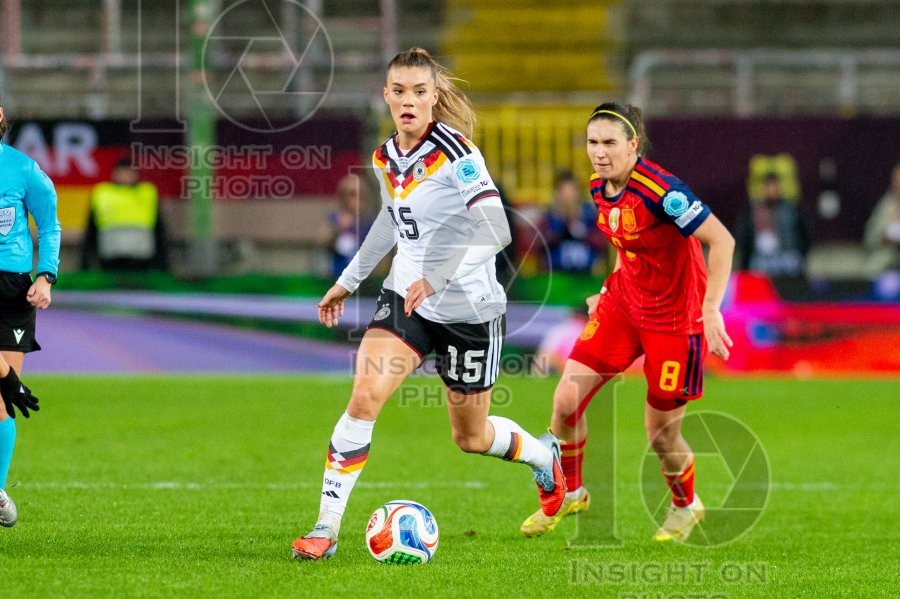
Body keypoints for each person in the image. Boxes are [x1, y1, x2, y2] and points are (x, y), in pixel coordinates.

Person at [291, 47, 565, 560]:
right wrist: (349, 281)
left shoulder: (457, 154)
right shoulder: (384, 156)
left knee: (471, 436)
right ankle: (325, 529)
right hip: (407, 298)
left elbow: (498, 228)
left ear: (435, 98)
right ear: (386, 96)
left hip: (469, 310)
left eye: (420, 92)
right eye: (400, 91)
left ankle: (543, 456)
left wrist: (439, 275)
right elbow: (390, 222)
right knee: (365, 396)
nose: (409, 101)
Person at [519, 102, 735, 542]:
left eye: (609, 143)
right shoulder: (599, 187)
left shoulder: (663, 192)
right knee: (564, 403)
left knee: (660, 434)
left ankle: (686, 505)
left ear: (633, 144)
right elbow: (625, 242)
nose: (599, 152)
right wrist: (612, 284)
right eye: (592, 142)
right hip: (623, 306)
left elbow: (721, 239)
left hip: (676, 321)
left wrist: (711, 309)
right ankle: (572, 491)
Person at [0, 100, 58, 527]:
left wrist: (46, 276)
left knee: (1, 401)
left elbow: (50, 224)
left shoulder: (24, 170)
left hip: (13, 287)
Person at [80, 157, 169, 272]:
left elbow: (159, 231)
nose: (125, 176)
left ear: (136, 174)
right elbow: (91, 231)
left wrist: (164, 265)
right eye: (122, 172)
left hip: (142, 258)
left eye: (129, 172)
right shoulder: (103, 194)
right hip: (110, 257)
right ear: (114, 173)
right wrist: (84, 263)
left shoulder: (147, 193)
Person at [735, 171, 809, 279]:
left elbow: (804, 234)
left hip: (787, 257)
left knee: (792, 263)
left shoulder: (791, 209)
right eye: (769, 186)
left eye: (774, 186)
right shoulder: (753, 211)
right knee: (757, 268)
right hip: (761, 259)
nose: (772, 190)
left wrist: (800, 254)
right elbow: (744, 237)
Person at [541, 169, 606, 273]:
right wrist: (563, 225)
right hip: (557, 272)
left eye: (571, 191)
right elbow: (542, 243)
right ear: (557, 193)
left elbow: (601, 242)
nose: (568, 197)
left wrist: (583, 231)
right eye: (564, 192)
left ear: (578, 191)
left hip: (587, 272)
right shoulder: (551, 215)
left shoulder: (589, 213)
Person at [319, 173, 374, 279]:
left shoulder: (369, 222)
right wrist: (338, 228)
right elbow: (323, 240)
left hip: (363, 279)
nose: (354, 199)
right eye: (350, 194)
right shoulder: (335, 217)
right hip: (337, 276)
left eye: (358, 194)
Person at [863, 161, 900, 275]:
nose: (898, 183)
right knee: (874, 265)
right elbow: (869, 239)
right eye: (896, 180)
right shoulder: (885, 205)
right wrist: (883, 238)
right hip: (889, 254)